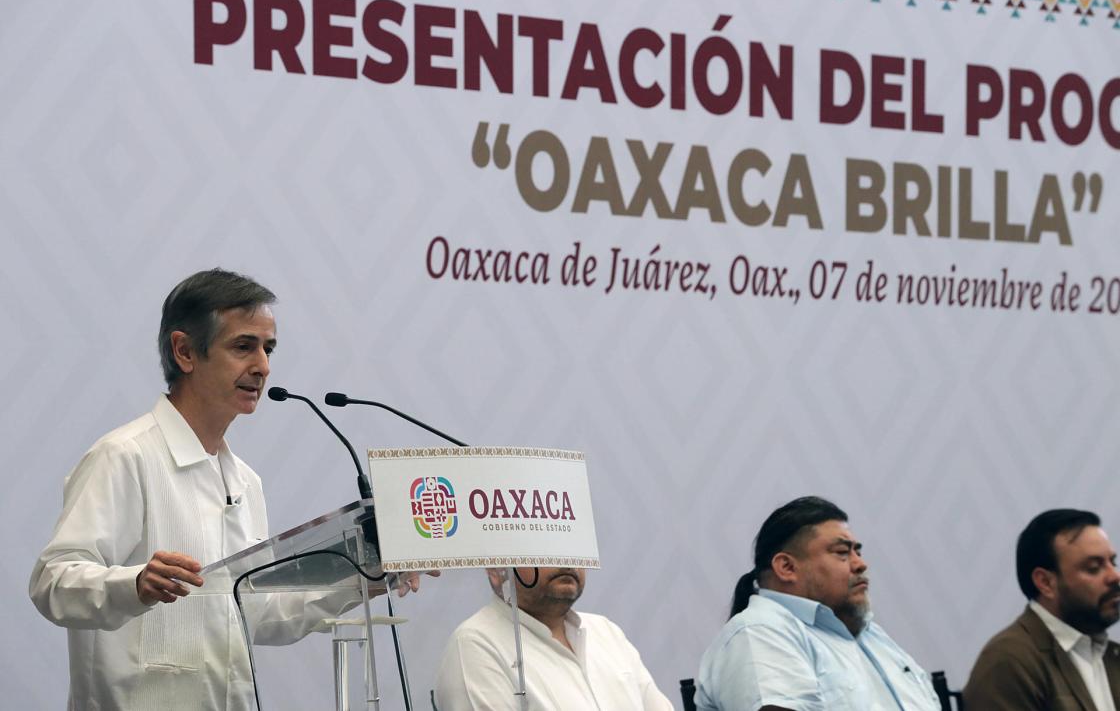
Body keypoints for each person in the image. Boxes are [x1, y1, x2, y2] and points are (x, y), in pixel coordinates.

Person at [29, 269, 399, 710]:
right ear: (185, 351)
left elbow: (259, 612)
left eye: (268, 348)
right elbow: (53, 581)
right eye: (244, 346)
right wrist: (136, 583)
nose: (262, 365)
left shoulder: (245, 480)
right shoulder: (124, 456)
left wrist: (363, 582)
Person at [695, 496, 940, 711]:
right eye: (842, 552)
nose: (860, 564)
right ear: (787, 567)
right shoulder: (761, 631)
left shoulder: (872, 636)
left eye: (858, 552)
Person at [434, 566, 673, 710]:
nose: (564, 558)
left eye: (572, 542)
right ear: (496, 570)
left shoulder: (606, 631)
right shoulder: (475, 645)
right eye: (545, 544)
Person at [963, 508, 1120, 711]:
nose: (1114, 576)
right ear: (1045, 582)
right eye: (1093, 568)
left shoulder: (1110, 656)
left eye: (1112, 562)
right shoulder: (1010, 661)